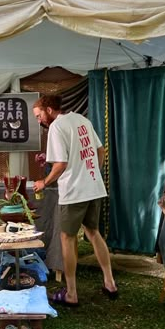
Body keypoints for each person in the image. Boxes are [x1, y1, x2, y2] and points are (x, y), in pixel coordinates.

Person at [32, 94, 118, 306]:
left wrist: (44, 182)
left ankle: (71, 293)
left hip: (74, 192)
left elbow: (61, 164)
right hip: (94, 187)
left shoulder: (56, 127)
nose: (39, 120)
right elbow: (99, 150)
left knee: (67, 238)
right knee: (93, 232)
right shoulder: (82, 120)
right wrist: (93, 173)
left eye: (38, 115)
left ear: (49, 110)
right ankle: (110, 283)